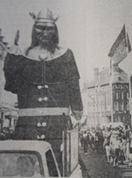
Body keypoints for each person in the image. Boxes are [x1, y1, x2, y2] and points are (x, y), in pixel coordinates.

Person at [3, 8, 83, 173]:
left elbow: (74, 88)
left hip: (58, 128)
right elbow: (12, 85)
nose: (45, 32)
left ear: (55, 30)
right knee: (25, 171)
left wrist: (77, 109)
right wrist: (12, 57)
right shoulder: (22, 55)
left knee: (59, 170)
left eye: (49, 28)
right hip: (27, 128)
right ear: (34, 29)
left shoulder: (66, 55)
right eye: (40, 28)